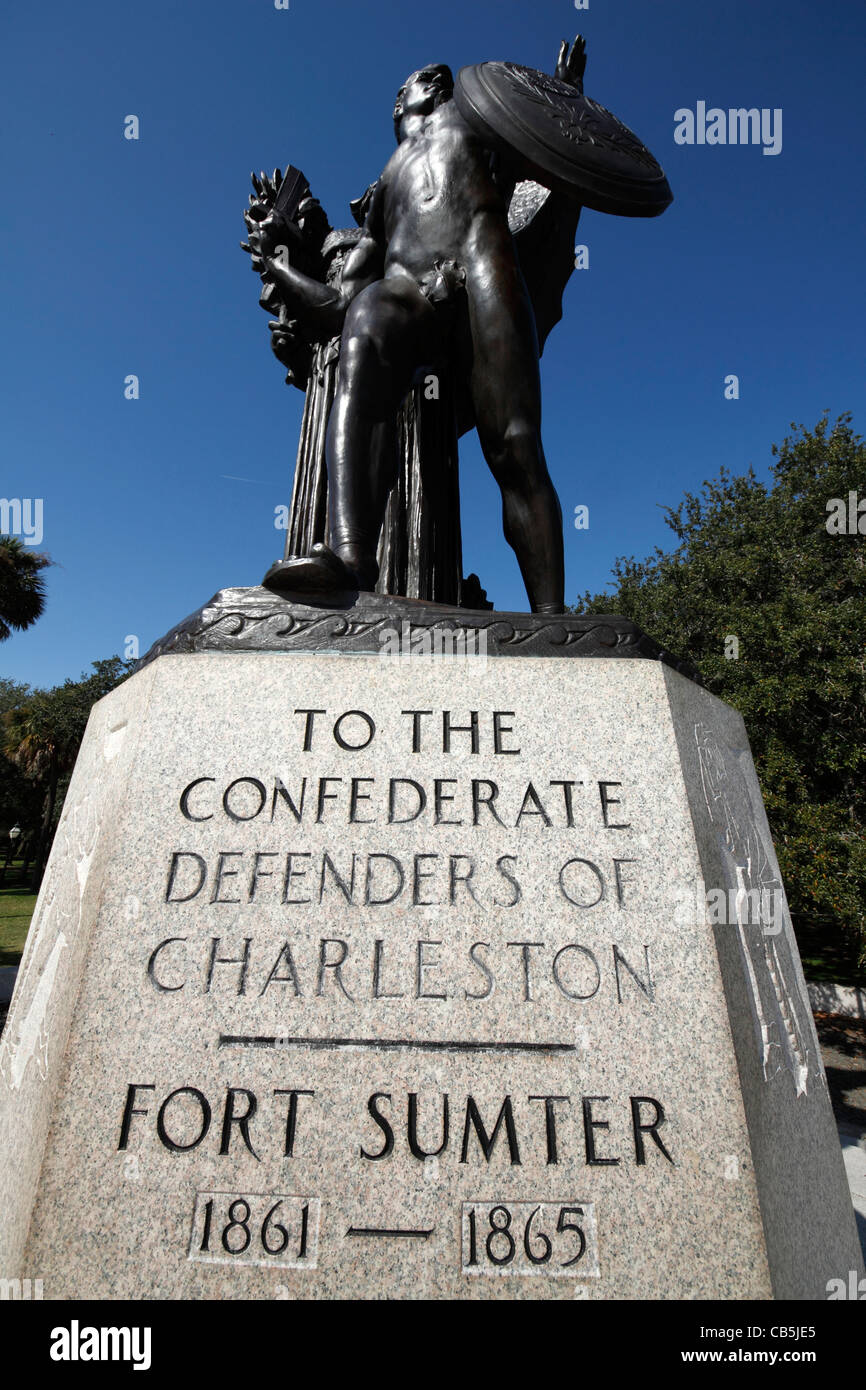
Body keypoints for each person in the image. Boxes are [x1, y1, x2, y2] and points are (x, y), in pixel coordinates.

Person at [248, 40, 588, 614]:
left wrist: (566, 97)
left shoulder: (476, 118)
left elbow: (550, 154)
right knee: (363, 328)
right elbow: (341, 301)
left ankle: (551, 616)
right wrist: (279, 265)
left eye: (408, 87)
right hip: (408, 293)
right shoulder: (384, 185)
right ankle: (351, 558)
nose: (407, 93)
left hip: (483, 273)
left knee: (514, 446)